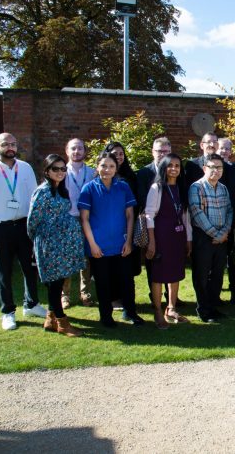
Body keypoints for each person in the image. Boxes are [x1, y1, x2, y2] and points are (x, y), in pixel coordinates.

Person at [0, 132, 47, 330]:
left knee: (30, 268)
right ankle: (7, 312)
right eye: (6, 144)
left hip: (24, 226)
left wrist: (37, 227)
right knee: (4, 272)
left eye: (13, 144)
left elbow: (34, 200)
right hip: (1, 228)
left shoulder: (26, 168)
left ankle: (31, 304)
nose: (10, 147)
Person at [79, 152, 144, 328]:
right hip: (98, 246)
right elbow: (84, 219)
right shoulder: (89, 189)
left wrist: (129, 241)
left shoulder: (123, 187)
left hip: (121, 244)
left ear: (116, 169)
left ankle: (130, 312)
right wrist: (92, 245)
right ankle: (106, 316)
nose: (107, 170)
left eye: (111, 166)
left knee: (127, 281)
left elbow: (130, 215)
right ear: (97, 166)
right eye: (103, 166)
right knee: (103, 283)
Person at [27, 154, 86, 336]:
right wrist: (38, 243)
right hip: (49, 244)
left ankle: (50, 319)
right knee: (54, 283)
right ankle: (62, 322)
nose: (60, 172)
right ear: (46, 171)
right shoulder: (42, 191)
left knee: (59, 281)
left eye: (63, 169)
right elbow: (32, 221)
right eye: (55, 169)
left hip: (63, 245)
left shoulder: (60, 189)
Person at [144, 153, 192, 329]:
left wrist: (188, 239)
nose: (174, 168)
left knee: (175, 273)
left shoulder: (181, 188)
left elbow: (185, 215)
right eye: (170, 165)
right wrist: (151, 241)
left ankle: (171, 308)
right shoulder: (157, 188)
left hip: (177, 237)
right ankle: (157, 311)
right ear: (163, 168)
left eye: (177, 166)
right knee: (158, 275)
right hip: (161, 237)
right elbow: (149, 215)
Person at [189, 154, 233, 323]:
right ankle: (203, 310)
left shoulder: (223, 188)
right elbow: (197, 213)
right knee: (201, 275)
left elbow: (229, 210)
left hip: (222, 238)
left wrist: (225, 232)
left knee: (217, 275)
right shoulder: (196, 187)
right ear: (204, 168)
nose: (215, 170)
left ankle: (213, 307)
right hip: (204, 238)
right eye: (212, 167)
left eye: (219, 167)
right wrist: (216, 234)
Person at [103, 141, 143, 310]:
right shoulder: (102, 176)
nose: (119, 156)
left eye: (121, 153)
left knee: (127, 262)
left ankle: (127, 298)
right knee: (111, 262)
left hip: (128, 223)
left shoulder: (130, 175)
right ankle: (113, 298)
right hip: (109, 225)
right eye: (115, 153)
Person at [136, 137, 172, 305]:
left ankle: (171, 296)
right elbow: (142, 200)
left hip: (171, 225)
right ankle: (155, 296)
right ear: (153, 152)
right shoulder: (144, 173)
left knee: (171, 260)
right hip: (152, 224)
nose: (162, 154)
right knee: (153, 261)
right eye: (159, 151)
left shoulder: (175, 171)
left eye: (165, 151)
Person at [62, 138, 95, 308]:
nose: (77, 152)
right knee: (67, 257)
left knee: (86, 258)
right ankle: (65, 295)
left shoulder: (92, 172)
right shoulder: (61, 171)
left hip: (86, 219)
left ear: (85, 151)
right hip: (68, 218)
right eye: (73, 148)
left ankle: (85, 293)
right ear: (67, 151)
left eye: (80, 148)